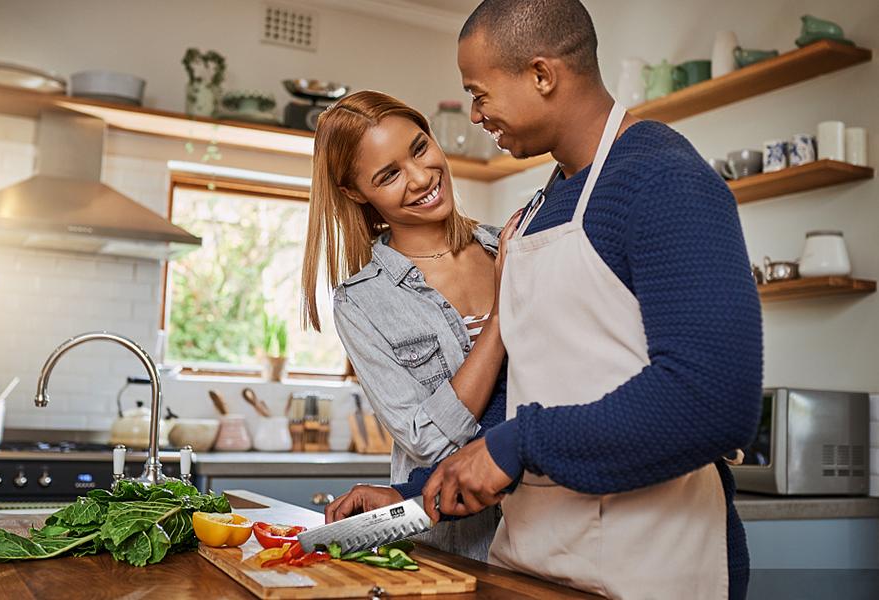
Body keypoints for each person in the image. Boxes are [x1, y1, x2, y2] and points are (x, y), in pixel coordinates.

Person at [416, 1, 764, 599]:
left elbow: (713, 400)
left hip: (652, 565)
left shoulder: (664, 179)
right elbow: (531, 385)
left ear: (542, 75)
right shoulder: (537, 212)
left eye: (479, 92)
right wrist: (424, 488)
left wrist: (519, 444)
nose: (475, 114)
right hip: (532, 562)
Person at [300, 90, 520, 561]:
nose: (421, 178)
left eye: (420, 148)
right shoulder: (362, 303)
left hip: (551, 536)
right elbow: (428, 439)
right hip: (456, 552)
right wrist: (501, 320)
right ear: (356, 192)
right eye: (389, 174)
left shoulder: (513, 245)